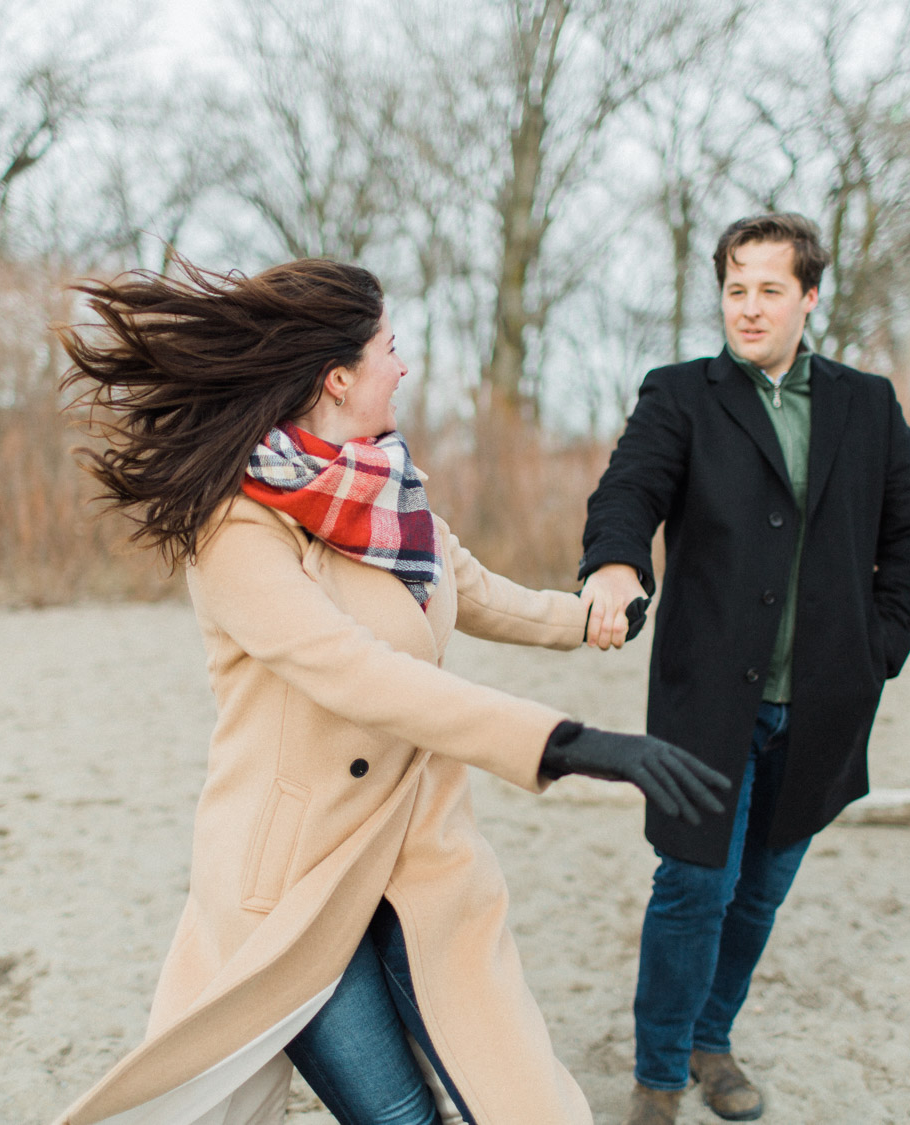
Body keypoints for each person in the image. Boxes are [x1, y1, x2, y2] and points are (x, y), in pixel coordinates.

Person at [48, 257, 730, 1125]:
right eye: (389, 349)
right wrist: (563, 742)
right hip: (298, 878)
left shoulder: (387, 490)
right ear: (339, 377)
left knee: (518, 1101)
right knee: (402, 1116)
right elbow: (358, 671)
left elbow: (471, 588)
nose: (403, 366)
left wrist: (586, 618)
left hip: (418, 857)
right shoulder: (237, 525)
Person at [577, 214, 910, 1124]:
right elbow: (629, 491)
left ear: (809, 297)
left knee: (758, 892)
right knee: (693, 883)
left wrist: (878, 649)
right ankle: (660, 1077)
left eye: (769, 288)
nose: (749, 307)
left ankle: (712, 1040)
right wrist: (617, 564)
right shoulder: (681, 395)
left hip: (822, 701)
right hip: (709, 694)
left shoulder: (867, 404)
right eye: (735, 288)